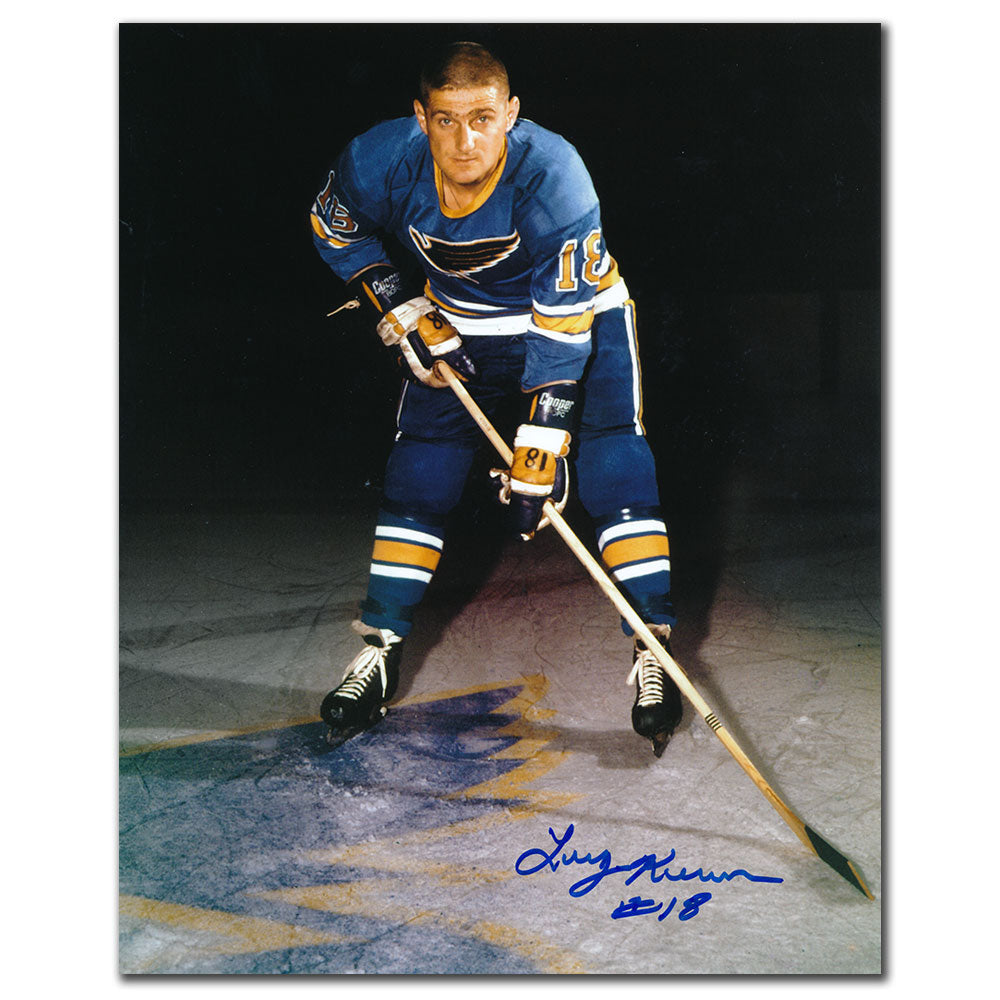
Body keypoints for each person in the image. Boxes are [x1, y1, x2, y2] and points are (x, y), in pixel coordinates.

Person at [309, 41, 681, 754]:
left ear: (510, 114)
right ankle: (380, 646)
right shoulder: (379, 158)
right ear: (420, 117)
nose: (465, 141)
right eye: (446, 120)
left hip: (577, 318)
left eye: (482, 119)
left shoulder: (555, 175)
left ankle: (651, 646)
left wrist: (541, 440)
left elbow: (562, 323)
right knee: (420, 471)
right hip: (461, 320)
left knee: (615, 467)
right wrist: (398, 302)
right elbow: (335, 225)